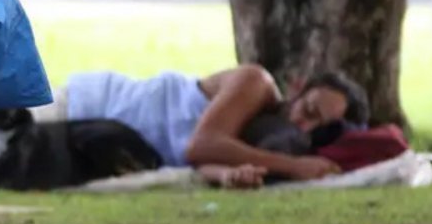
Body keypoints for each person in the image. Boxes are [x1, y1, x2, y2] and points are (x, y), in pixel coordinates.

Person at [20, 65, 369, 188]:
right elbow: (200, 145)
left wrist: (231, 174)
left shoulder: (266, 142)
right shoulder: (256, 83)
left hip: (102, 143)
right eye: (308, 110)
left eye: (316, 127)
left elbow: (202, 163)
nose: (302, 125)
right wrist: (295, 167)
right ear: (297, 88)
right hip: (92, 104)